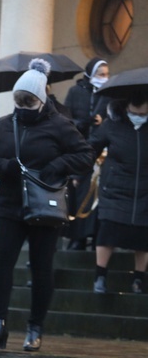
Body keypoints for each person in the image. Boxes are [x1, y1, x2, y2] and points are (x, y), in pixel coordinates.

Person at [0, 59, 93, 352]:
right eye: (19, 101)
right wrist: (8, 167)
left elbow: (84, 156)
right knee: (2, 264)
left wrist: (58, 164)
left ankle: (35, 327)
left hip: (45, 204)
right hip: (10, 204)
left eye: (29, 102)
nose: (23, 106)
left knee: (42, 268)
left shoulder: (60, 125)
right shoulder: (5, 124)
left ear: (42, 100)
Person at [88, 91, 148, 294]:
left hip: (145, 190)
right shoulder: (113, 124)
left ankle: (139, 279)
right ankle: (100, 276)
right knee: (108, 231)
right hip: (116, 189)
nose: (139, 110)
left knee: (143, 236)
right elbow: (92, 147)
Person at [63, 58, 112, 250]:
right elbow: (67, 119)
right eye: (101, 74)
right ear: (91, 74)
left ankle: (96, 236)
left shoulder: (110, 94)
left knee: (98, 193)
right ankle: (79, 236)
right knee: (80, 192)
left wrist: (104, 121)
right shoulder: (76, 92)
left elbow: (116, 117)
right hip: (80, 148)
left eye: (107, 74)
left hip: (103, 151)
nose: (105, 78)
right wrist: (86, 122)